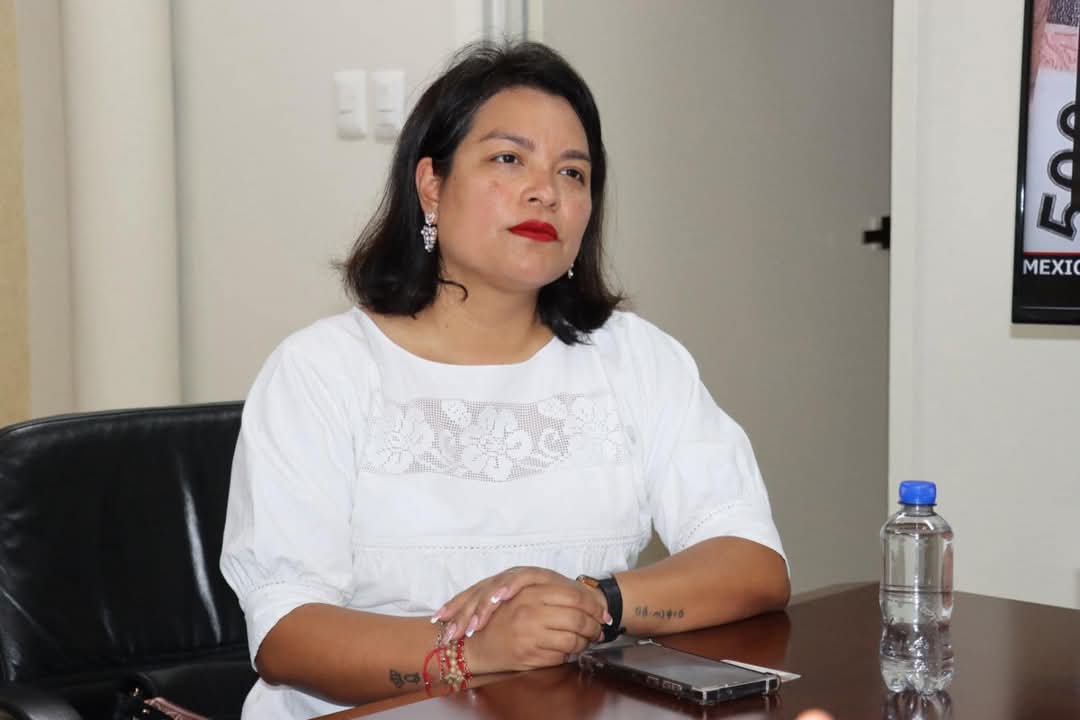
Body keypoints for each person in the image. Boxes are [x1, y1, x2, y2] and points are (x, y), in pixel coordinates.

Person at [220, 41, 789, 718]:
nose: (545, 191)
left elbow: (753, 563)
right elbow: (286, 635)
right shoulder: (322, 370)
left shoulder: (636, 358)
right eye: (508, 159)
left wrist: (596, 600)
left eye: (572, 172)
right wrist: (472, 653)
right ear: (431, 186)